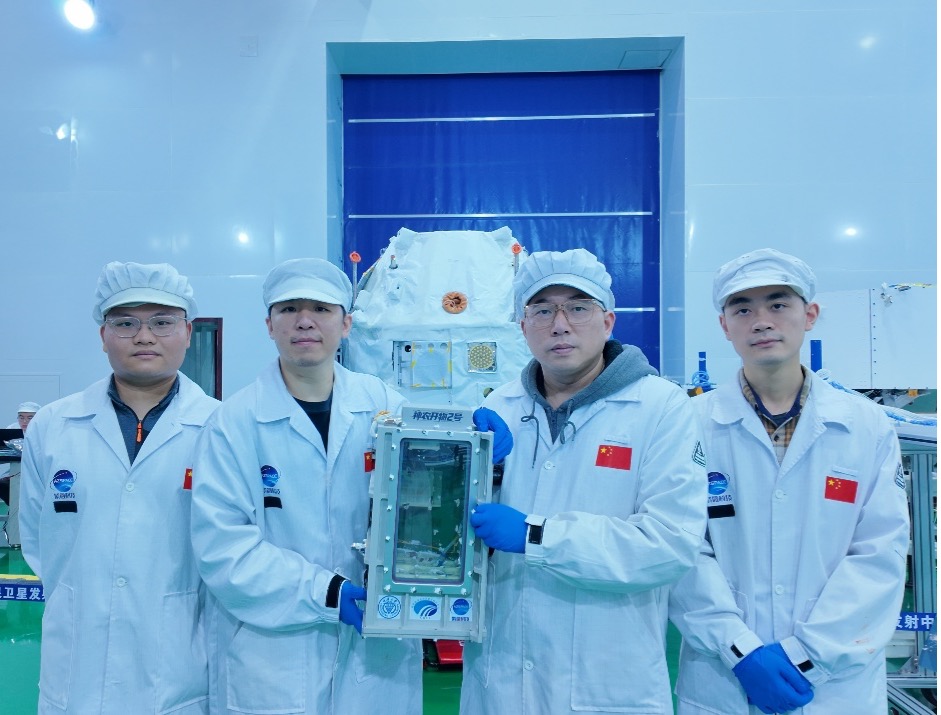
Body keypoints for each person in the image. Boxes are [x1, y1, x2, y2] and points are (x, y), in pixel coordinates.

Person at [193, 258, 496, 714]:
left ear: (346, 324)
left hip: (377, 653)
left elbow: (441, 487)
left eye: (321, 309)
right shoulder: (233, 423)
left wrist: (478, 443)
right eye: (289, 309)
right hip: (275, 656)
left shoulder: (385, 406)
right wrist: (327, 592)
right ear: (269, 326)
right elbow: (223, 550)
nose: (305, 321)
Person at [459, 248, 707, 714]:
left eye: (577, 307)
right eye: (542, 310)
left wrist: (537, 536)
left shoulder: (661, 407)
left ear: (608, 322)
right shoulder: (499, 408)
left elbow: (670, 543)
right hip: (503, 678)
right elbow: (465, 534)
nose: (559, 325)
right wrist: (466, 471)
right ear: (522, 326)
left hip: (607, 676)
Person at [669, 248, 910, 714]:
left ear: (810, 315)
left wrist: (808, 655)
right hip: (725, 676)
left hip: (836, 684)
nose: (762, 321)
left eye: (778, 304)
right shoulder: (689, 424)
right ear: (724, 326)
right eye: (743, 309)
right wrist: (739, 650)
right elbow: (682, 547)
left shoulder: (866, 426)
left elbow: (879, 553)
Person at [19, 261, 219, 714]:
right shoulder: (54, 424)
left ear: (188, 332)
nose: (144, 337)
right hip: (77, 665)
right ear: (103, 335)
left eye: (162, 322)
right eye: (126, 323)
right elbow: (36, 539)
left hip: (181, 667)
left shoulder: (221, 427)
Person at [0, 401, 41, 548]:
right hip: (15, 473)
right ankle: (15, 515)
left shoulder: (44, 430)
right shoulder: (11, 430)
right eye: (21, 417)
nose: (24, 421)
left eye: (29, 418)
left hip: (38, 475)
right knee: (5, 485)